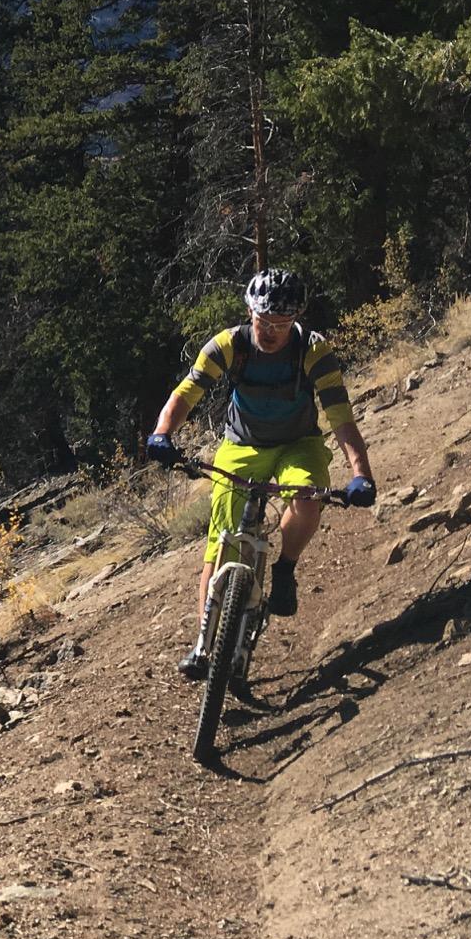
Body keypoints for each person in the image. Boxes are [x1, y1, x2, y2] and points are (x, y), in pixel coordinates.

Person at [144, 268, 376, 679]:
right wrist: (163, 433)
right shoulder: (228, 345)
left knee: (307, 499)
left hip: (297, 443)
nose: (270, 331)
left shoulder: (313, 350)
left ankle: (285, 567)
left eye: (281, 324)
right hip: (242, 446)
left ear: (295, 320)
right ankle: (203, 645)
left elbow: (340, 416)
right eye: (263, 321)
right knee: (220, 545)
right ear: (249, 312)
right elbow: (187, 392)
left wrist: (361, 474)